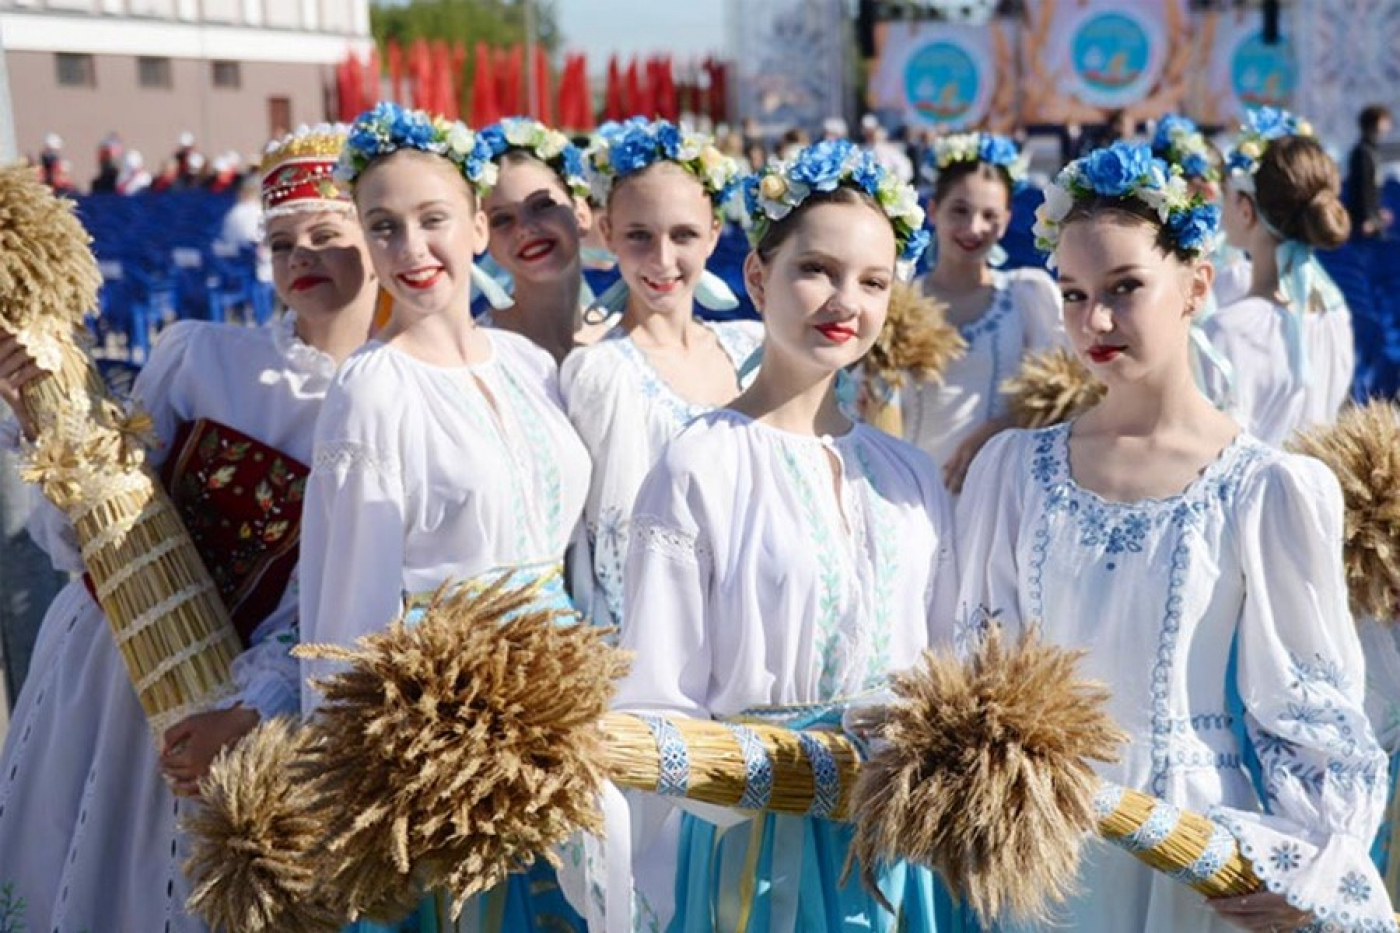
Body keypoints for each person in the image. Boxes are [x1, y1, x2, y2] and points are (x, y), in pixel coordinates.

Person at [957, 139, 1392, 931]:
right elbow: (976, 667)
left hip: (1189, 853)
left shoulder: (1263, 488)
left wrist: (1318, 854)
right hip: (1050, 853)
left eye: (1125, 288)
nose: (1095, 320)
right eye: (1074, 292)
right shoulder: (1015, 472)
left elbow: (1309, 702)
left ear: (1195, 286)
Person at [0, 122, 378, 933]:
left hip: (242, 695)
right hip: (111, 659)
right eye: (281, 243)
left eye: (326, 235)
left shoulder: (395, 402)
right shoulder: (204, 355)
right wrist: (44, 415)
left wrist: (255, 708)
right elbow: (95, 514)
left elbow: (339, 600)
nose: (301, 257)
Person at [610, 138, 955, 932]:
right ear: (759, 276)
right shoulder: (700, 462)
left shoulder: (908, 476)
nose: (846, 301)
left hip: (895, 847)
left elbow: (943, 665)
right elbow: (660, 695)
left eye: (873, 281)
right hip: (755, 850)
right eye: (817, 270)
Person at [297, 101, 590, 932]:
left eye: (432, 220)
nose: (411, 250)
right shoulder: (372, 387)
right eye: (383, 227)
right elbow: (345, 610)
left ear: (474, 227)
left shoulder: (532, 364)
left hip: (564, 699)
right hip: (449, 728)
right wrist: (353, 790)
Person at [559, 118, 761, 630]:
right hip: (658, 647)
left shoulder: (751, 348)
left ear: (715, 233)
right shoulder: (602, 372)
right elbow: (610, 539)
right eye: (639, 236)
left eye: (684, 235)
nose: (663, 259)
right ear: (607, 234)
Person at [864, 131, 1061, 493]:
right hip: (910, 496)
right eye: (960, 210)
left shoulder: (1027, 295)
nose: (974, 228)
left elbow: (1059, 404)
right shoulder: (897, 301)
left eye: (989, 215)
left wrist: (1002, 427)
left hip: (997, 497)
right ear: (934, 209)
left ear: (1006, 219)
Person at [1208, 107, 1354, 447]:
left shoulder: (1230, 329)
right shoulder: (1334, 315)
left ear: (1245, 209)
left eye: (1226, 196)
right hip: (1324, 496)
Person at [476, 116, 615, 362]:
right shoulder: (479, 352)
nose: (525, 228)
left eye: (542, 205)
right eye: (502, 219)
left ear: (581, 213)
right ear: (483, 236)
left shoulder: (621, 340)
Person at [1346, 104, 1393, 239]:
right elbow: (1362, 188)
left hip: (1371, 218)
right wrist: (1367, 217)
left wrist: (1377, 212)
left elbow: (1373, 188)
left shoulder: (1373, 151)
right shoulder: (1362, 153)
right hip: (1363, 222)